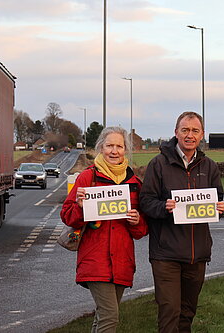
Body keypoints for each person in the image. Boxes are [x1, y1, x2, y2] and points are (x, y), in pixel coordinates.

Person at [139, 111, 224, 333]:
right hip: (165, 253)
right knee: (169, 313)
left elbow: (216, 198)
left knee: (187, 314)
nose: (190, 135)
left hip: (197, 254)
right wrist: (164, 207)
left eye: (195, 131)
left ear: (202, 135)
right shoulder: (158, 164)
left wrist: (219, 208)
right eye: (185, 130)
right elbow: (146, 202)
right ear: (175, 132)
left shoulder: (209, 166)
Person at [60, 126, 148, 333]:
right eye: (109, 146)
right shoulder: (86, 178)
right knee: (110, 316)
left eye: (119, 146)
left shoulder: (134, 183)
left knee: (103, 317)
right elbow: (67, 216)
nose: (114, 151)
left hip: (122, 262)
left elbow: (141, 231)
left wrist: (137, 221)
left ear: (125, 149)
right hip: (95, 260)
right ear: (101, 147)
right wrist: (80, 207)